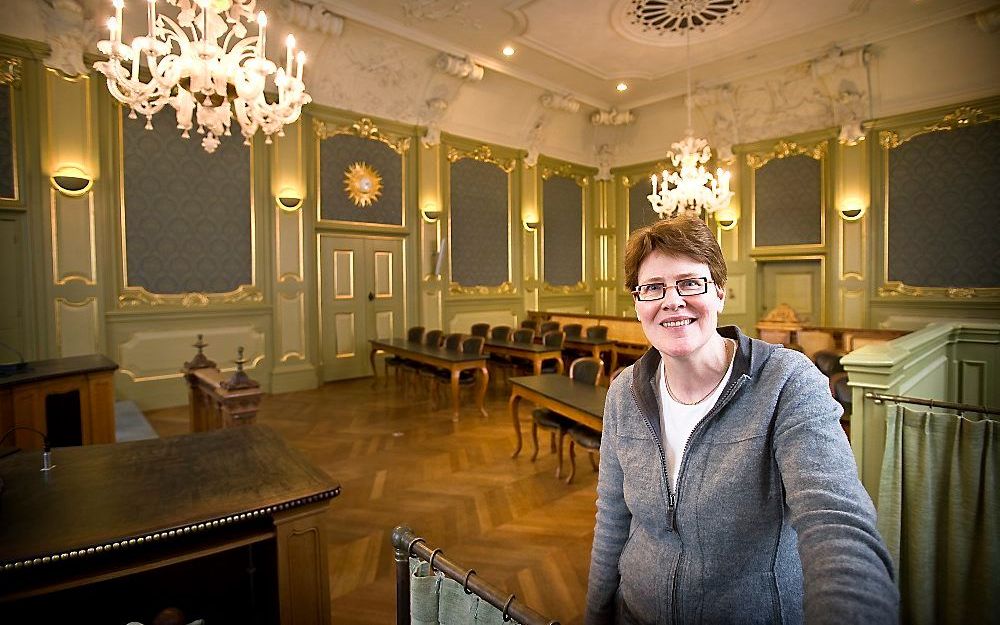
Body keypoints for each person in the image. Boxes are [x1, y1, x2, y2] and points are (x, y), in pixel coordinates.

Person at [585, 215, 898, 624]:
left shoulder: (788, 382)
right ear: (637, 303)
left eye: (689, 283)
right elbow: (611, 518)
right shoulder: (624, 392)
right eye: (653, 288)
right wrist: (594, 614)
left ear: (719, 292)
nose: (672, 300)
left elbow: (836, 520)